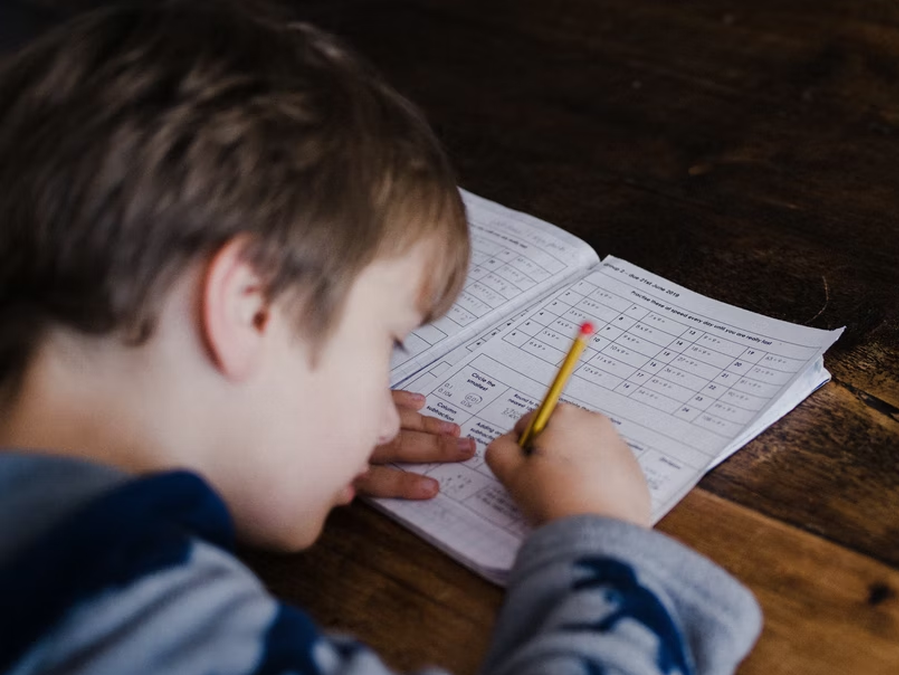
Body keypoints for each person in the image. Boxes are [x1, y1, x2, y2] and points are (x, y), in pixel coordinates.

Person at [0, 2, 762, 675]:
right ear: (251, 307)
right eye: (388, 342)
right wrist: (602, 538)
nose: (387, 418)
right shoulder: (114, 609)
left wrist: (257, 450)